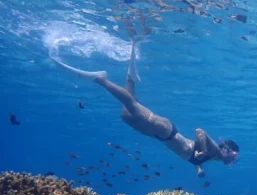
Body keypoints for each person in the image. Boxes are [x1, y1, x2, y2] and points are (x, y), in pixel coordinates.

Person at [52, 40, 239, 177]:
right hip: (165, 131)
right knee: (131, 107)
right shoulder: (214, 150)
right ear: (227, 150)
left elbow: (194, 156)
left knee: (126, 115)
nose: (232, 161)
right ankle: (101, 79)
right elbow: (200, 131)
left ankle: (131, 79)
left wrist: (199, 168)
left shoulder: (213, 158)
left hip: (161, 136)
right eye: (234, 156)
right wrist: (205, 152)